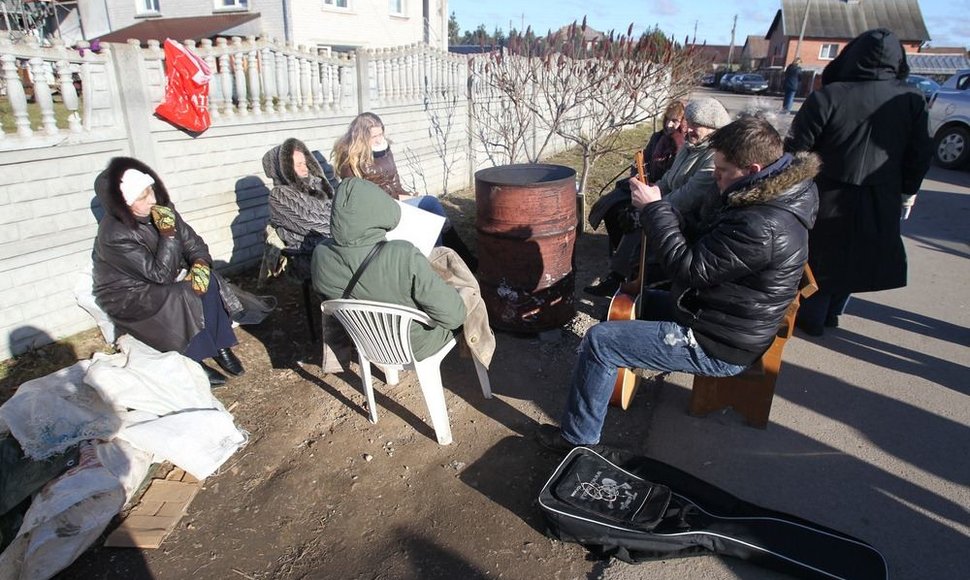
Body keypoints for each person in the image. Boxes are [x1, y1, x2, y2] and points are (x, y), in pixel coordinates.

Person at [537, 117, 820, 450]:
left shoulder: (763, 223)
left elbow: (688, 270)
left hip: (720, 341)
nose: (715, 176)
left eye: (722, 170)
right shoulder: (766, 195)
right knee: (626, 304)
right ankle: (611, 384)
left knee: (600, 342)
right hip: (719, 311)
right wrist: (665, 211)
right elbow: (708, 244)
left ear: (753, 168)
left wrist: (656, 210)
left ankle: (577, 440)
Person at [785, 28, 932, 336]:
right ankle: (831, 312)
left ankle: (814, 313)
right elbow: (919, 152)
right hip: (881, 191)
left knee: (822, 255)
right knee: (860, 255)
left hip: (827, 190)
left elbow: (798, 147)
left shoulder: (829, 96)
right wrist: (908, 190)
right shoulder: (911, 100)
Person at [92, 157, 245, 386]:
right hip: (130, 293)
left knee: (208, 281)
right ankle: (193, 359)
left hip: (165, 275)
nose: (152, 200)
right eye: (142, 197)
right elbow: (159, 276)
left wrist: (200, 265)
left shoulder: (162, 210)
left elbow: (194, 244)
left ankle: (220, 345)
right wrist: (169, 234)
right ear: (124, 202)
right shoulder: (115, 234)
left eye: (151, 191)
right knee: (183, 294)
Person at [312, 178, 493, 366]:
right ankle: (483, 353)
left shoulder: (320, 255)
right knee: (467, 294)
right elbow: (454, 317)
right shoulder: (402, 255)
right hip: (415, 344)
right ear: (381, 209)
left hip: (367, 343)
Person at [584, 97, 731, 296]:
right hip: (671, 205)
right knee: (624, 209)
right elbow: (668, 180)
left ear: (713, 128)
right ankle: (623, 277)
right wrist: (649, 194)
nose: (687, 130)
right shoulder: (689, 147)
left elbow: (688, 198)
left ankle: (632, 284)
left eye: (696, 126)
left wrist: (651, 208)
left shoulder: (713, 157)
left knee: (642, 222)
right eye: (688, 124)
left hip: (694, 216)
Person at [332, 112, 478, 271]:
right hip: (377, 212)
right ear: (361, 137)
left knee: (430, 203)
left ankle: (456, 259)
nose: (380, 139)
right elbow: (361, 198)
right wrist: (398, 202)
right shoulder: (350, 161)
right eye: (374, 136)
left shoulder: (384, 150)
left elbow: (395, 184)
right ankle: (441, 265)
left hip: (394, 203)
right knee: (430, 222)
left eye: (381, 133)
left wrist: (408, 196)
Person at [588, 100, 686, 259]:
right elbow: (642, 160)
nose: (669, 124)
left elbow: (675, 178)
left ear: (683, 122)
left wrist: (653, 190)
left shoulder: (683, 145)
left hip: (662, 194)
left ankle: (631, 261)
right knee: (612, 204)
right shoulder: (657, 137)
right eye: (667, 119)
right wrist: (637, 175)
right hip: (645, 184)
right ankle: (619, 251)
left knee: (630, 215)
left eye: (674, 121)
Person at [262, 137, 338, 278]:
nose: (304, 168)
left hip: (331, 243)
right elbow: (309, 222)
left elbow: (338, 208)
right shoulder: (280, 195)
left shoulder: (318, 185)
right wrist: (343, 225)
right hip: (308, 253)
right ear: (284, 168)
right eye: (298, 165)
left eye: (304, 163)